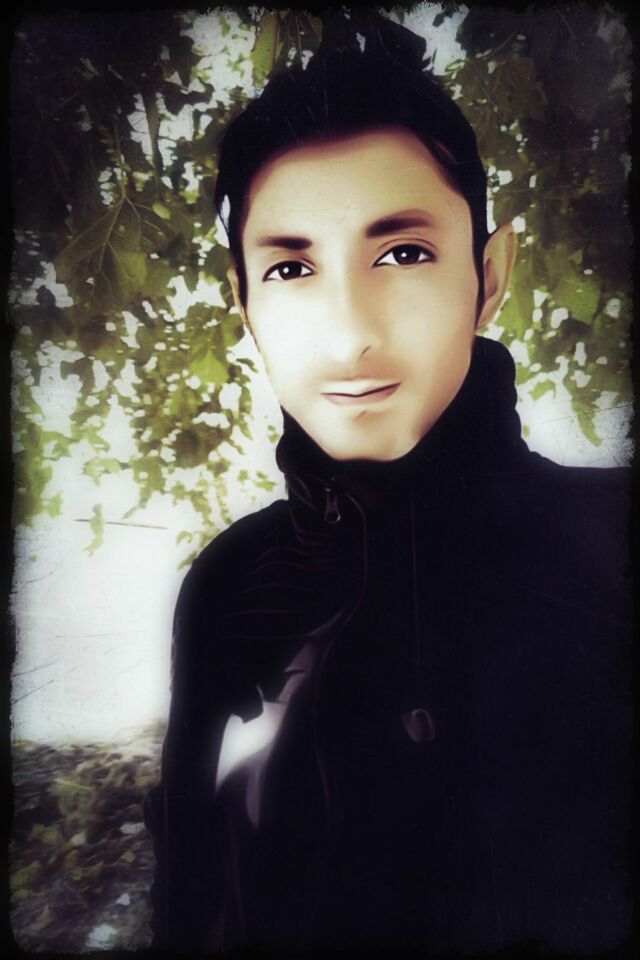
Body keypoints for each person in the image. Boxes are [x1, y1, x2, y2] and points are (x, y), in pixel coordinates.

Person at [144, 13, 632, 954]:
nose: (349, 333)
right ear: (244, 307)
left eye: (403, 253)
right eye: (291, 267)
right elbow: (189, 903)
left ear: (489, 275)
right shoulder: (231, 586)